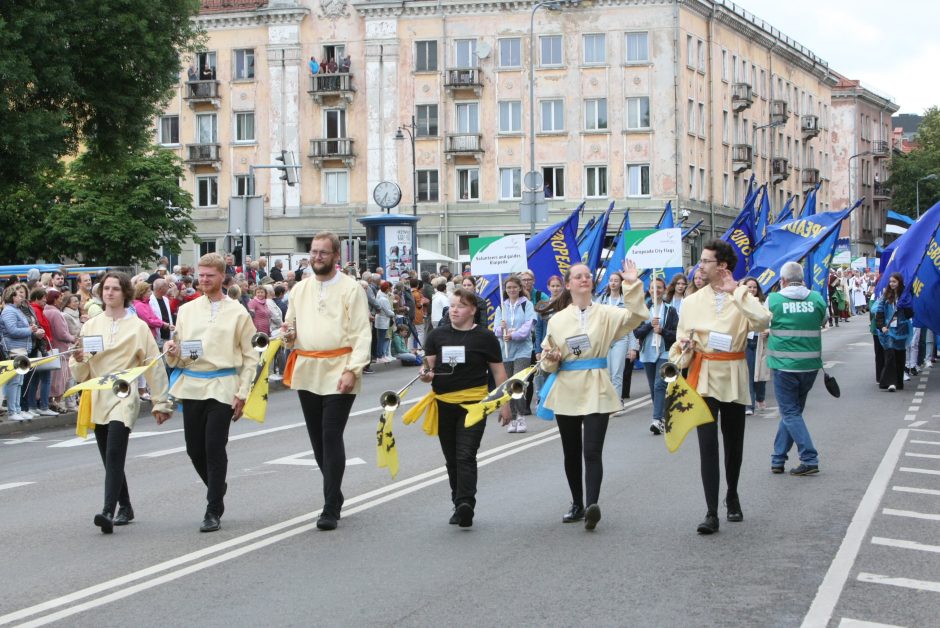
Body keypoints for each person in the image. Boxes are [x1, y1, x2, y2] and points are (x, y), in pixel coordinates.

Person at [668, 239, 771, 535]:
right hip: (703, 376)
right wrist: (684, 347)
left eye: (705, 261)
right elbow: (679, 344)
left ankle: (733, 494)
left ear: (722, 266)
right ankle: (711, 511)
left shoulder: (741, 296)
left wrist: (738, 292)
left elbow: (763, 320)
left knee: (733, 442)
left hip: (734, 373)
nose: (700, 266)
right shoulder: (690, 302)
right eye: (700, 262)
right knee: (707, 445)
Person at [539, 260, 647, 530]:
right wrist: (551, 358)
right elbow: (547, 361)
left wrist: (631, 284)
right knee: (571, 451)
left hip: (597, 385)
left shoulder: (607, 313)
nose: (584, 279)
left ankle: (592, 506)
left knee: (592, 450)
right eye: (578, 276)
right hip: (567, 387)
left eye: (588, 275)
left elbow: (636, 316)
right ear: (568, 284)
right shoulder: (557, 319)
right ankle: (576, 502)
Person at [281, 232, 371, 531]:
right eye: (314, 252)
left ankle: (330, 505)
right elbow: (291, 327)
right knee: (317, 440)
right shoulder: (299, 289)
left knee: (331, 435)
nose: (317, 257)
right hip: (308, 368)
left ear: (336, 257)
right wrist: (288, 335)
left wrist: (353, 369)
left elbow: (360, 332)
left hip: (339, 368)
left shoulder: (351, 289)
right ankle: (336, 490)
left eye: (323, 253)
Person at [71, 272, 173, 533]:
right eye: (106, 288)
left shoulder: (138, 327)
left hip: (124, 394)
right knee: (109, 457)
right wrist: (80, 358)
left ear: (125, 293)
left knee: (116, 451)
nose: (110, 293)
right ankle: (125, 505)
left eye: (116, 288)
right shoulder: (90, 325)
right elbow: (80, 372)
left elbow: (153, 365)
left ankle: (108, 510)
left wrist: (161, 402)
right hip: (97, 395)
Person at [164, 253, 259, 533]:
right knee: (194, 449)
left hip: (223, 385)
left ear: (222, 277)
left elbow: (251, 355)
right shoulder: (187, 310)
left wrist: (243, 392)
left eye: (210, 275)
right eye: (201, 275)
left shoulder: (238, 312)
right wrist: (173, 353)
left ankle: (213, 507)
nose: (204, 280)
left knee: (214, 446)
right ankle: (217, 486)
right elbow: (181, 354)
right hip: (193, 384)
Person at [413, 288, 512, 527]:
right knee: (451, 458)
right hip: (444, 404)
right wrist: (426, 374)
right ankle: (458, 502)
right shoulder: (437, 335)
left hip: (474, 405)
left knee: (466, 454)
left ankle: (466, 502)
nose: (454, 309)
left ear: (472, 310)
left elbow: (499, 371)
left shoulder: (485, 337)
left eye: (460, 305)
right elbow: (429, 368)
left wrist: (505, 403)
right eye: (452, 305)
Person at [766, 262, 827, 476]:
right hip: (810, 366)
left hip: (784, 366)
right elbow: (824, 320)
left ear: (782, 281)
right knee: (793, 412)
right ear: (802, 279)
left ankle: (809, 457)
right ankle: (778, 458)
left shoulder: (773, 299)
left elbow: (763, 324)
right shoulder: (816, 298)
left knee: (790, 412)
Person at [633, 276, 678, 434]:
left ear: (664, 290)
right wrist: (649, 327)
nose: (656, 290)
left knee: (660, 384)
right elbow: (636, 332)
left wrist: (662, 331)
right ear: (649, 290)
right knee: (654, 387)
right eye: (653, 287)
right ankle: (662, 415)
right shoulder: (643, 310)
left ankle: (656, 419)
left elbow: (675, 334)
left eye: (659, 287)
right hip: (647, 353)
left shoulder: (670, 310)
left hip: (665, 352)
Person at [493, 275, 535, 433]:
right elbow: (495, 329)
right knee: (508, 386)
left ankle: (521, 417)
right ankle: (511, 418)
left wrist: (514, 334)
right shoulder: (501, 307)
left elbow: (528, 326)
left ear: (519, 288)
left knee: (518, 383)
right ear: (505, 289)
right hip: (505, 351)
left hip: (522, 350)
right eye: (509, 287)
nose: (512, 290)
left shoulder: (527, 305)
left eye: (514, 287)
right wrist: (501, 329)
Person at [594, 272, 633, 417]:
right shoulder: (601, 300)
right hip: (605, 339)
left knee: (617, 373)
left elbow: (631, 325)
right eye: (611, 280)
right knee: (607, 373)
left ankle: (617, 403)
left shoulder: (626, 301)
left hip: (621, 339)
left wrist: (632, 347)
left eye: (616, 280)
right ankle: (609, 402)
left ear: (621, 283)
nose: (613, 283)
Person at [874, 272, 912, 392]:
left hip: (902, 330)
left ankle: (899, 382)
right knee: (890, 355)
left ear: (899, 282)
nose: (892, 284)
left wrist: (905, 305)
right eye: (890, 281)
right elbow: (879, 312)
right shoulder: (885, 296)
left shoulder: (905, 296)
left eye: (894, 282)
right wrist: (882, 326)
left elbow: (910, 313)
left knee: (900, 356)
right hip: (889, 330)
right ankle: (891, 382)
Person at [1, 285, 33, 422]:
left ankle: (17, 408)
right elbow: (12, 330)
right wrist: (30, 330)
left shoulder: (16, 310)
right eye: (19, 295)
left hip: (21, 349)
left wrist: (30, 329)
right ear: (12, 297)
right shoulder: (9, 311)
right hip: (14, 350)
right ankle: (12, 410)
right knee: (14, 381)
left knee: (19, 381)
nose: (21, 297)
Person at [740, 277, 769, 415]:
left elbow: (770, 320)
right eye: (749, 287)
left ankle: (760, 397)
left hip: (760, 342)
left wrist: (768, 331)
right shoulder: (739, 303)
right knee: (749, 374)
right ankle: (749, 406)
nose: (752, 290)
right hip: (746, 343)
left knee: (761, 374)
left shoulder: (763, 303)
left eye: (754, 287)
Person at [374, 281, 395, 361]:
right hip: (383, 320)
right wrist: (394, 313)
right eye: (389, 288)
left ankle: (381, 355)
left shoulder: (380, 295)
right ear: (386, 289)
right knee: (381, 339)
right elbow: (388, 311)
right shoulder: (383, 299)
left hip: (380, 320)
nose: (390, 290)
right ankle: (380, 356)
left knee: (380, 339)